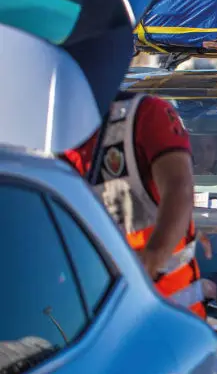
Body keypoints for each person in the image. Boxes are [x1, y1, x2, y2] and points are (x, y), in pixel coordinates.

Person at [62, 92, 208, 319]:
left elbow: (179, 187)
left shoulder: (144, 115)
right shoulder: (41, 134)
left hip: (165, 322)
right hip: (81, 319)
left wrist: (153, 256)